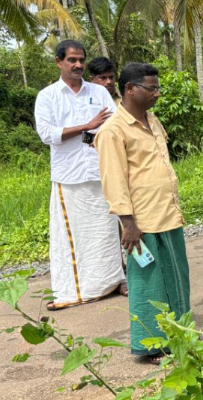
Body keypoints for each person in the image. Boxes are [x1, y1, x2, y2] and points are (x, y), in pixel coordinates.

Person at [95, 62, 190, 365]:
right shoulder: (112, 131)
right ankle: (152, 345)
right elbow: (114, 179)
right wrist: (128, 223)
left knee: (176, 276)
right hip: (142, 221)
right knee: (149, 282)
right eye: (151, 88)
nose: (157, 94)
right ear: (130, 89)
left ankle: (180, 333)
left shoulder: (152, 119)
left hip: (167, 213)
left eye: (157, 88)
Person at [34, 40, 126, 311]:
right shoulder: (48, 96)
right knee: (73, 235)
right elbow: (48, 134)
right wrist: (87, 126)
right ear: (59, 62)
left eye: (81, 60)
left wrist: (86, 132)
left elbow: (110, 128)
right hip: (69, 176)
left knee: (105, 232)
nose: (77, 65)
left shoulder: (98, 92)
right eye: (72, 60)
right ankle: (74, 290)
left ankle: (111, 282)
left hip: (100, 171)